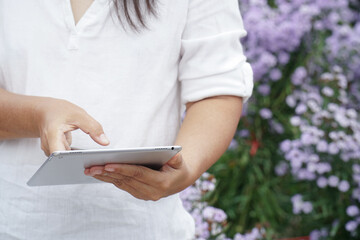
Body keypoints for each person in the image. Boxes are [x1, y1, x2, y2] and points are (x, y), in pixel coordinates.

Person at [0, 0, 253, 239]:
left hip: (145, 228)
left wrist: (184, 170)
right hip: (13, 223)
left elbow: (217, 88)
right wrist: (38, 115)